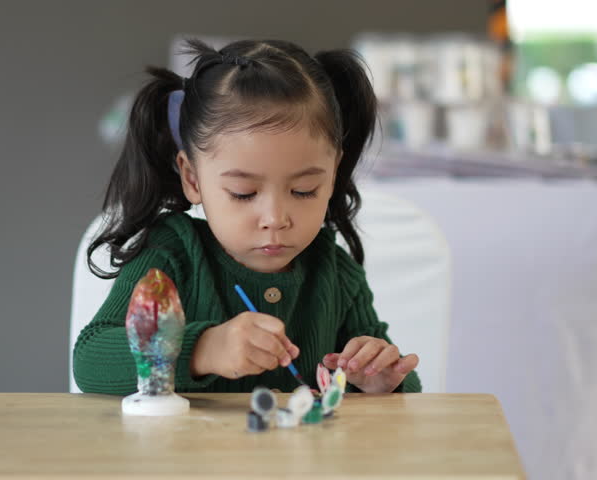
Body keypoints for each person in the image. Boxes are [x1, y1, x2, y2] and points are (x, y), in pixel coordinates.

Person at [74, 38, 421, 395]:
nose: (275, 218)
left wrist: (383, 381)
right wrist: (204, 349)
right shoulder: (170, 255)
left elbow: (400, 384)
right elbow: (90, 361)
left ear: (333, 174)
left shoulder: (336, 272)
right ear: (192, 178)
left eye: (304, 190)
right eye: (244, 193)